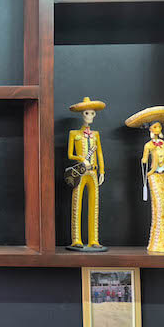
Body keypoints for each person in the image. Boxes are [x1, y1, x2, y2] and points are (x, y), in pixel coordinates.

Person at [125, 106, 164, 253]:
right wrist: (144, 162)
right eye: (155, 126)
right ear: (150, 129)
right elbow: (144, 159)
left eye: (159, 126)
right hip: (154, 175)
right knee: (159, 205)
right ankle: (157, 241)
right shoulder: (148, 145)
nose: (158, 129)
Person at [67, 97, 107, 251]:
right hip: (80, 171)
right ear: (82, 114)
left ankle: (93, 239)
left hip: (93, 172)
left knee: (94, 205)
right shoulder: (74, 134)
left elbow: (100, 153)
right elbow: (70, 154)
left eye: (91, 113)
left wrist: (102, 171)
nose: (89, 116)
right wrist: (81, 158)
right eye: (86, 113)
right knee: (77, 203)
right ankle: (76, 239)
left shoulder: (96, 134)